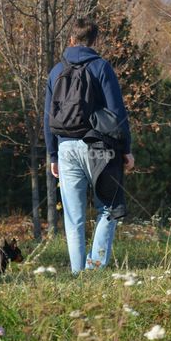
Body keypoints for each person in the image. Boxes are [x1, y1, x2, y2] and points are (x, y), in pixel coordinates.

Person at [43, 16, 134, 273]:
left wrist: (53, 155)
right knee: (107, 207)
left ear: (71, 39)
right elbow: (117, 113)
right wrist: (126, 149)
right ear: (95, 42)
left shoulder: (56, 71)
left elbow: (47, 116)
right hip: (100, 149)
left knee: (74, 219)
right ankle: (95, 268)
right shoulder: (101, 68)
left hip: (66, 148)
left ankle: (77, 273)